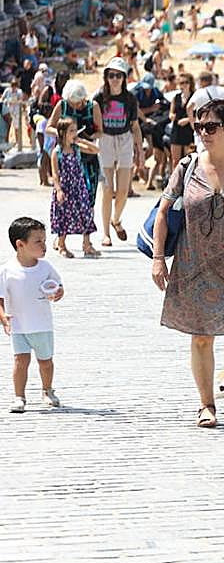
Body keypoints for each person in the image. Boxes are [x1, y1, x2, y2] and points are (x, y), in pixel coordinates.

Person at [151, 98, 224, 429]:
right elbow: (163, 212)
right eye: (199, 127)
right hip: (194, 266)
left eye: (211, 127)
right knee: (201, 338)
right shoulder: (186, 167)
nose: (203, 133)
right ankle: (207, 404)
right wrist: (159, 258)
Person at [1, 217, 64, 413]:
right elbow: (0, 297)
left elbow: (58, 286)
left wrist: (58, 293)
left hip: (42, 325)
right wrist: (3, 317)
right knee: (20, 361)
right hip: (19, 325)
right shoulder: (7, 270)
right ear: (20, 244)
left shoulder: (45, 267)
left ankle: (47, 390)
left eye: (44, 240)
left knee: (46, 362)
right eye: (38, 241)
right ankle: (19, 396)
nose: (44, 246)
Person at [47, 80, 102, 257]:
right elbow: (55, 173)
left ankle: (87, 243)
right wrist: (63, 135)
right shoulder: (58, 152)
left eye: (79, 102)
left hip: (81, 181)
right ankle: (62, 244)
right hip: (65, 184)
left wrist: (83, 139)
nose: (77, 106)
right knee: (64, 213)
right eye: (74, 103)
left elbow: (96, 149)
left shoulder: (92, 107)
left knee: (86, 209)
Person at [93, 57, 143, 247]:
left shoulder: (130, 99)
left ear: (124, 78)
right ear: (106, 77)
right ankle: (106, 233)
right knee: (107, 189)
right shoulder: (99, 97)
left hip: (124, 139)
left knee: (123, 191)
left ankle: (116, 219)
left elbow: (135, 126)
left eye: (118, 75)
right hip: (105, 139)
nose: (114, 79)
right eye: (111, 75)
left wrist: (140, 151)